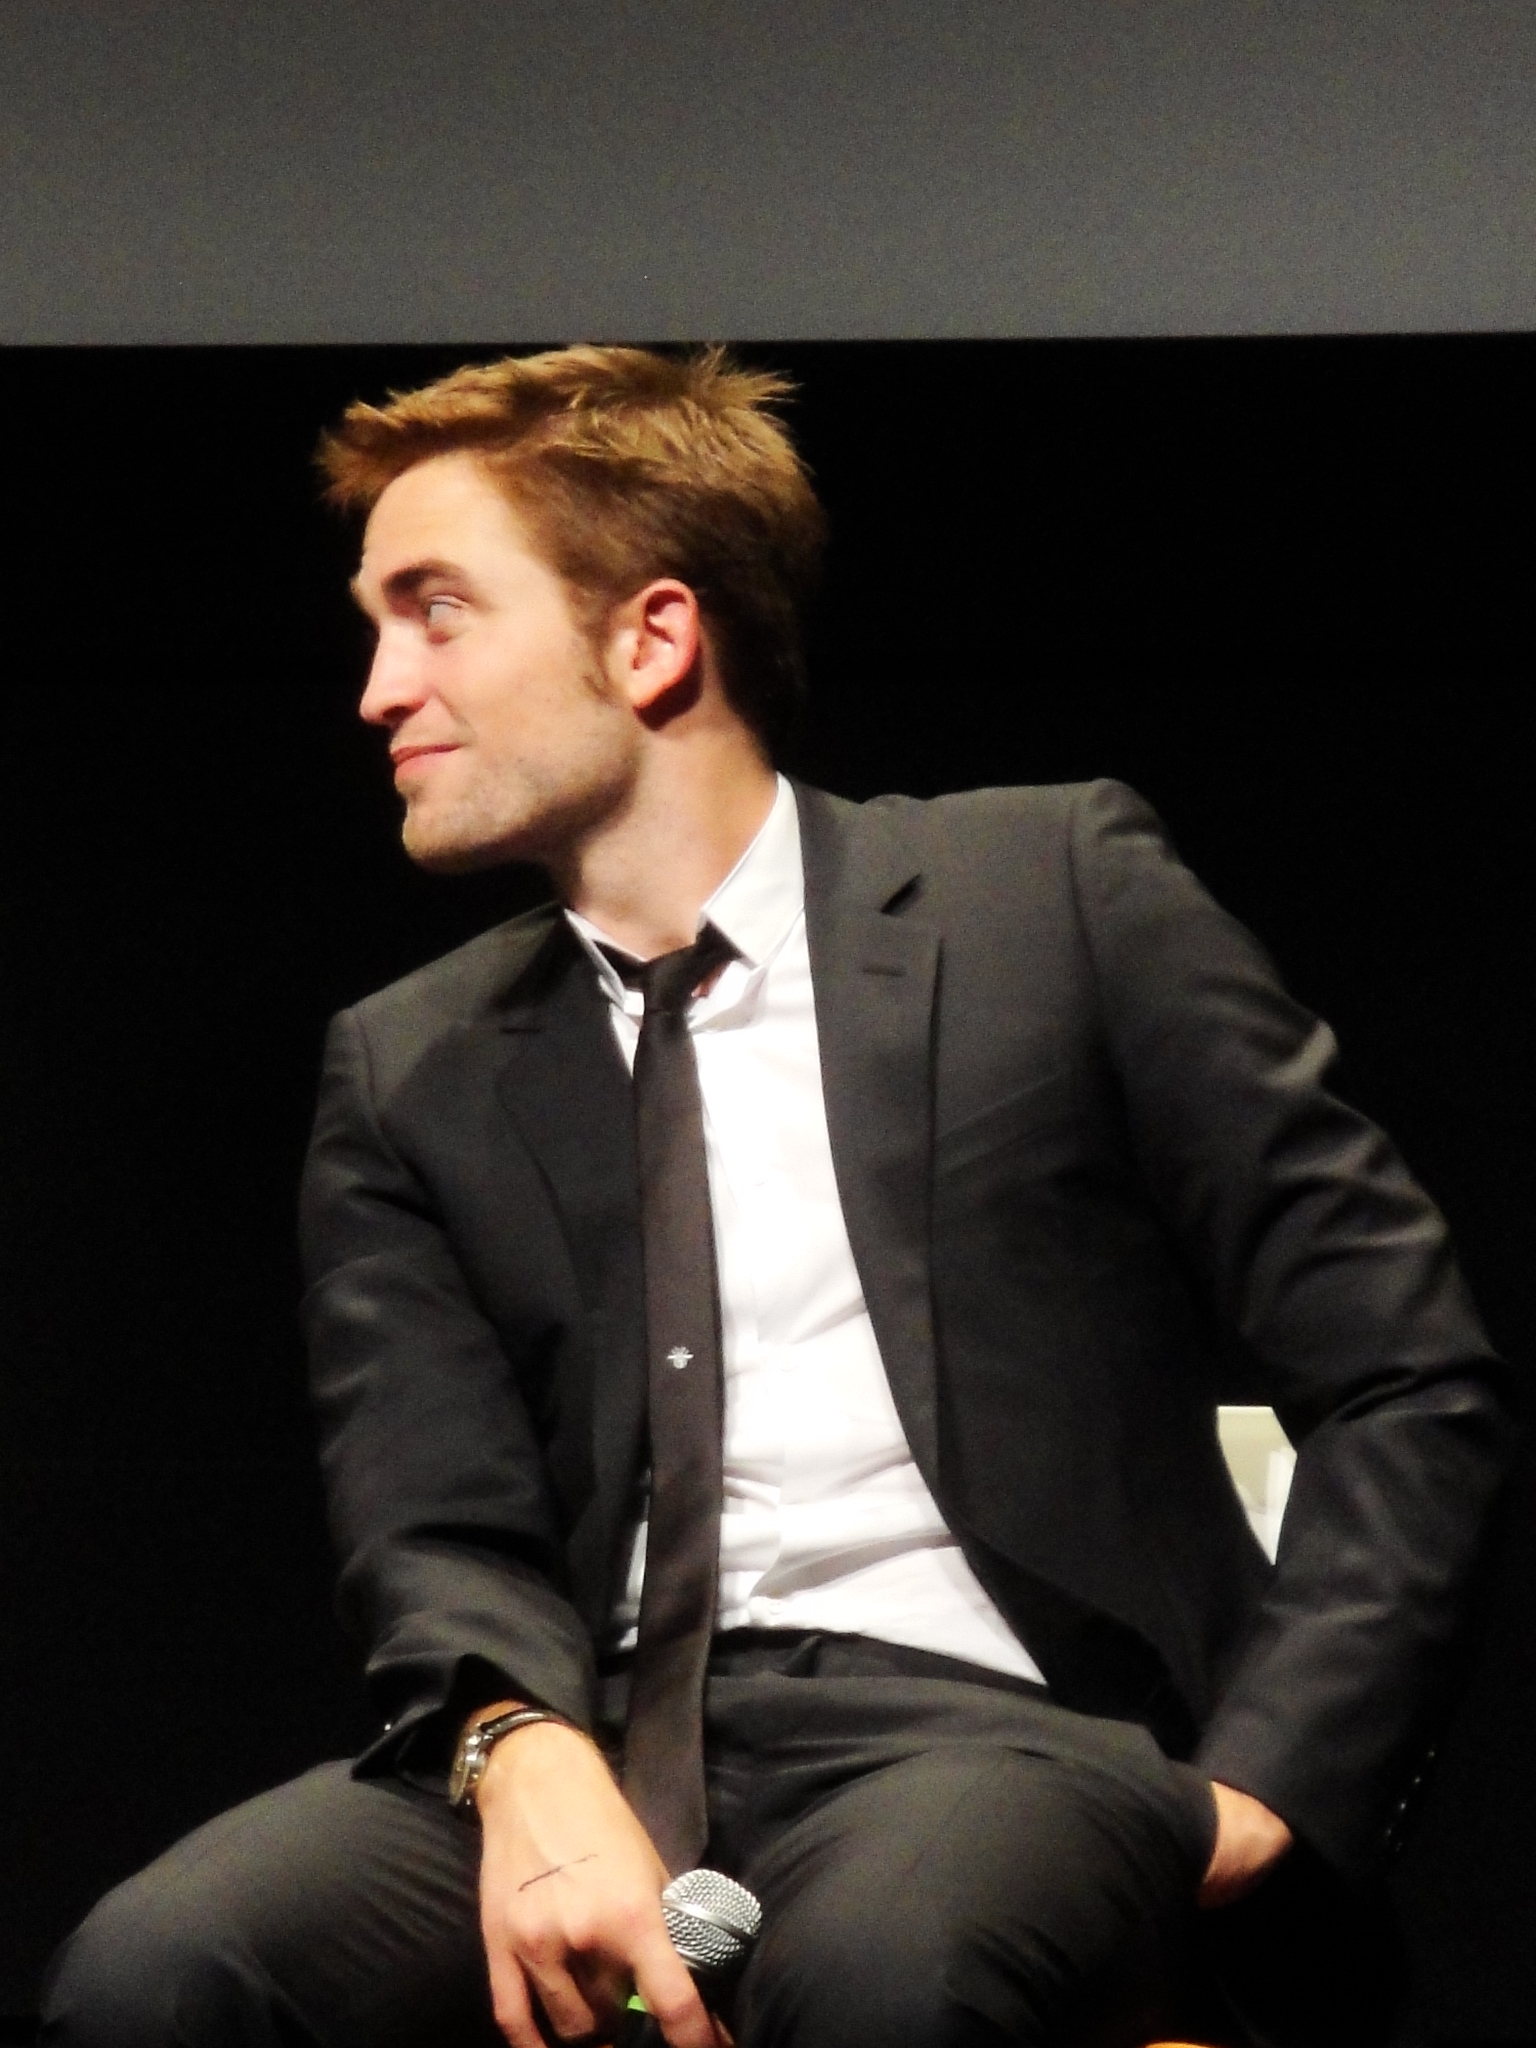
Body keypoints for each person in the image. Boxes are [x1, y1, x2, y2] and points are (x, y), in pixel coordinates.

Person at [43, 346, 1512, 2048]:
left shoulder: (1047, 895)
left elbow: (1408, 1378)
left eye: (436, 611)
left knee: (892, 1967)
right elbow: (433, 1522)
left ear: (652, 639)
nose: (379, 688)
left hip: (1008, 1735)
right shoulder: (410, 1063)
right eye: (376, 624)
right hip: (599, 1733)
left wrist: (1269, 1789)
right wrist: (521, 1750)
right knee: (159, 1975)